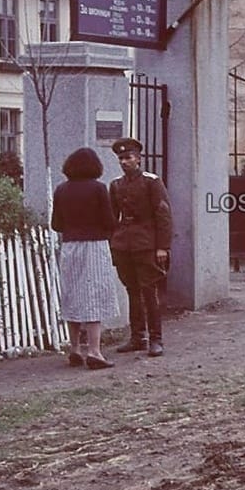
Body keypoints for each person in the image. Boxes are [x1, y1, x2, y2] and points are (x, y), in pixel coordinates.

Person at [51, 147, 120, 370]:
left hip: (70, 247)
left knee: (73, 294)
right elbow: (109, 221)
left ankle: (74, 349)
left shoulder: (61, 190)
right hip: (95, 245)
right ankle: (95, 351)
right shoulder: (99, 189)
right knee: (94, 295)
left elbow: (56, 224)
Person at [109, 137, 173, 357]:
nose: (124, 162)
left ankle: (156, 339)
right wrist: (113, 243)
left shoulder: (151, 182)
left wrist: (162, 247)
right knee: (132, 291)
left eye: (128, 157)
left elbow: (163, 214)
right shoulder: (116, 184)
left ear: (138, 159)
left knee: (149, 291)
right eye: (121, 158)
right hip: (123, 245)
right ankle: (138, 337)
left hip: (146, 244)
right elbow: (112, 216)